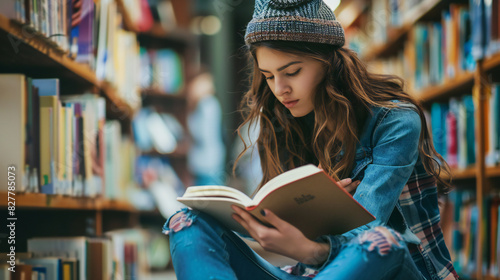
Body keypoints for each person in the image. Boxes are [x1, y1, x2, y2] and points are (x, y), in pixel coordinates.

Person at [162, 0, 458, 279]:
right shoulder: (280, 123)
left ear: (328, 61)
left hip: (388, 269)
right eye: (268, 76)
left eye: (292, 72)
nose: (280, 89)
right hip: (315, 274)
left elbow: (368, 234)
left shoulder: (395, 121)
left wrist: (309, 248)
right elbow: (284, 239)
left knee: (381, 241)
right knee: (187, 223)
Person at [186, 69, 226, 186]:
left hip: (207, 163)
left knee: (208, 200)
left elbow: (203, 134)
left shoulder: (207, 103)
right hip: (208, 163)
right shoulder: (205, 104)